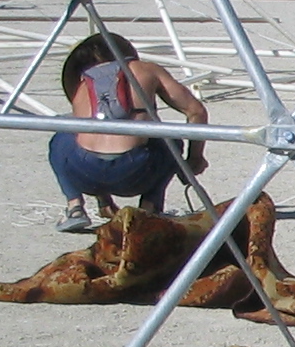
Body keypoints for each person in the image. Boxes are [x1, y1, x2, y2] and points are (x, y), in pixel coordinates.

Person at [50, 33, 209, 232]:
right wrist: (194, 158)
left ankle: (74, 207)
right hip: (135, 172)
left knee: (63, 137)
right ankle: (149, 209)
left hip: (84, 173)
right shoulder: (146, 69)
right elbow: (196, 111)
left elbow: (96, 140)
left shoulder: (83, 81)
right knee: (170, 139)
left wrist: (103, 199)